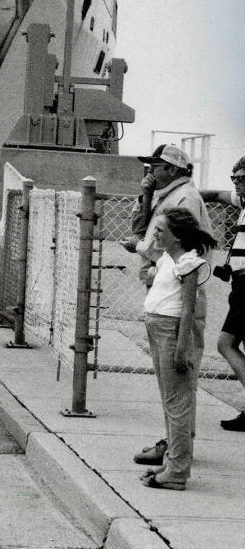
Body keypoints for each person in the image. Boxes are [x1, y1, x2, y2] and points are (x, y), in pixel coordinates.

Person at [134, 207, 216, 489]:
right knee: (169, 399)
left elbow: (188, 310)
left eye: (160, 230)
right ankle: (172, 461)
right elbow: (149, 252)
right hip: (157, 328)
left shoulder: (189, 264)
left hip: (171, 331)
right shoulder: (170, 257)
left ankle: (178, 471)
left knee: (177, 403)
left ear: (177, 236)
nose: (154, 234)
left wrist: (182, 348)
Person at [124, 144, 213, 289]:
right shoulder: (166, 195)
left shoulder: (185, 197)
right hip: (163, 277)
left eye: (155, 167)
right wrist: (147, 196)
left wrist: (138, 246)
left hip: (177, 282)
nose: (149, 172)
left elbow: (182, 246)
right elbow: (139, 229)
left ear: (172, 169)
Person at [200, 155, 245, 431]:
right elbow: (216, 194)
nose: (236, 183)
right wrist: (190, 195)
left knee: (225, 343)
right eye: (234, 178)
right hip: (240, 283)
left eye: (242, 178)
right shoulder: (243, 202)